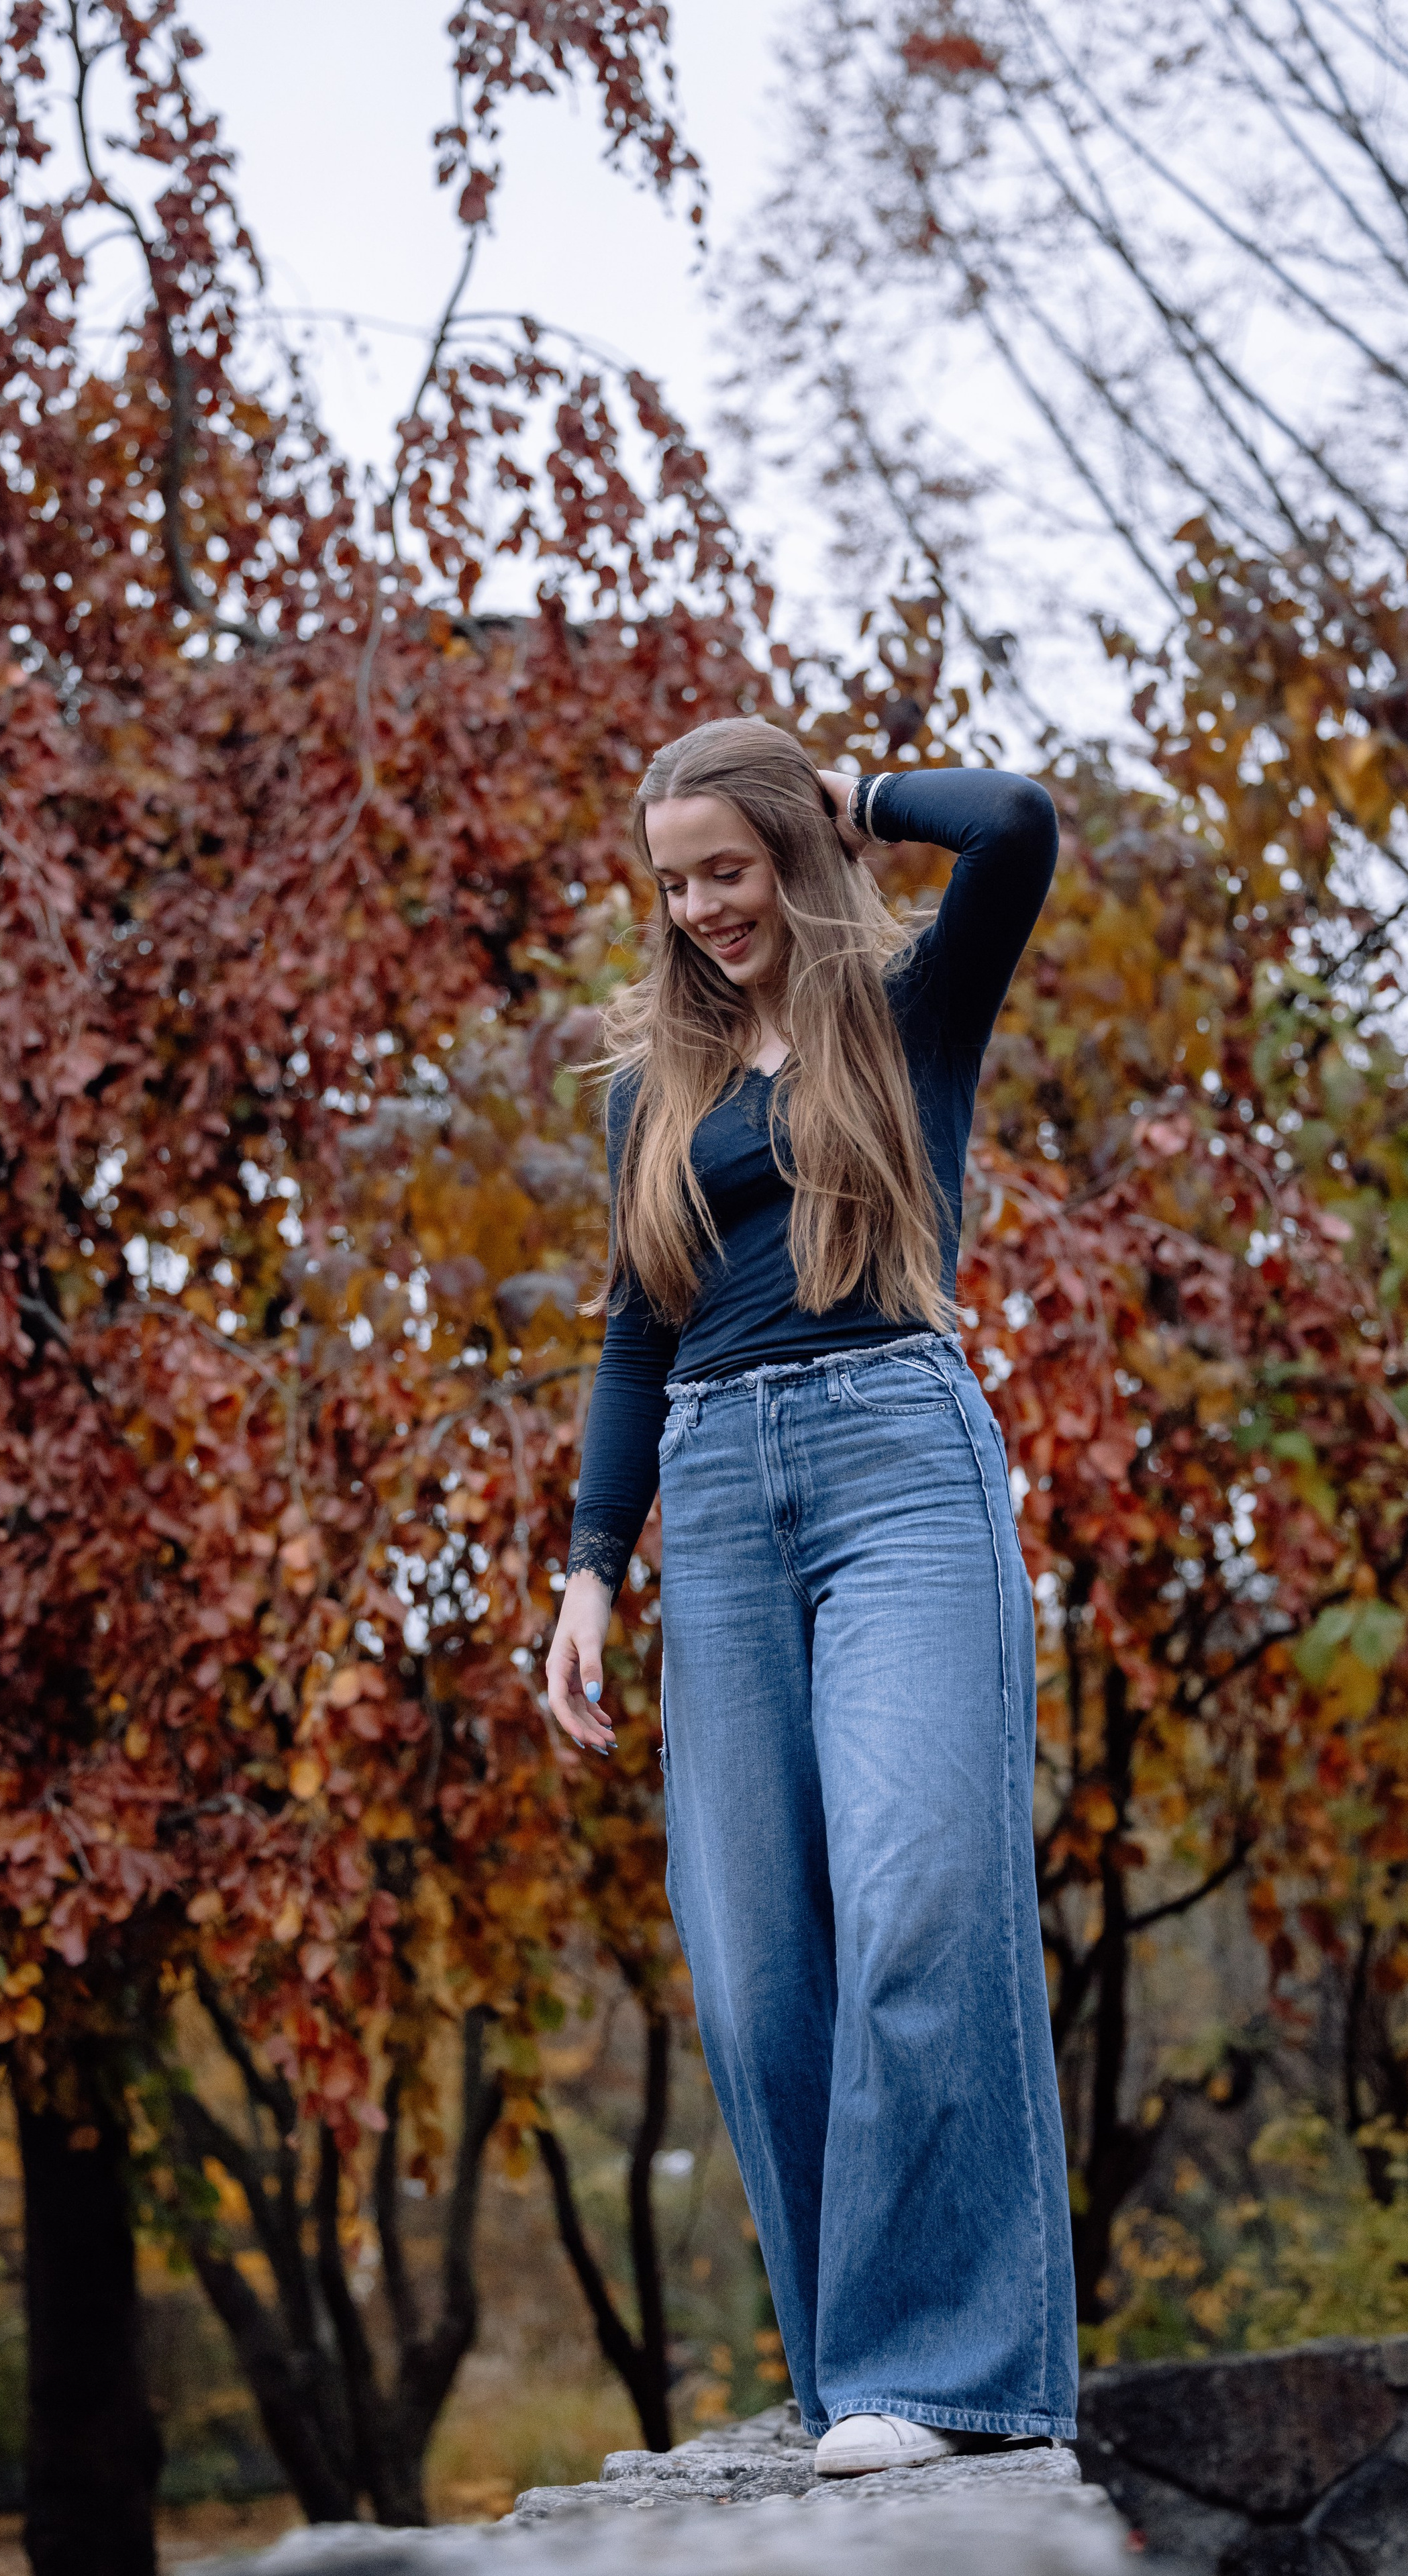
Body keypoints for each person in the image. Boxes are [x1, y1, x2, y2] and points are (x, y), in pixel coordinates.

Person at [543, 717, 1078, 2472]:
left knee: (922, 1895)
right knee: (758, 1964)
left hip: (896, 1467)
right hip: (712, 1498)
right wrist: (589, 1572)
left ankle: (941, 2376)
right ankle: (853, 2374)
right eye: (674, 881)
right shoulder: (649, 1098)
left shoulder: (909, 1012)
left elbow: (1015, 825)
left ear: (790, 848)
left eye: (730, 865)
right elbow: (634, 1341)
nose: (703, 906)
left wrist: (850, 800)